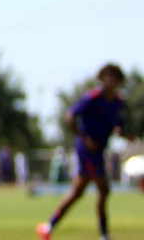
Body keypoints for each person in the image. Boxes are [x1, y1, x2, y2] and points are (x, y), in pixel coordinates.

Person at [37, 63, 138, 240]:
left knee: (78, 193)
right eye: (107, 76)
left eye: (114, 77)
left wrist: (124, 134)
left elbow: (118, 126)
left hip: (100, 150)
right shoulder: (93, 97)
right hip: (87, 150)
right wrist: (85, 138)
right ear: (102, 79)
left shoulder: (118, 103)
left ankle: (48, 227)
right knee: (104, 189)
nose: (111, 80)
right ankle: (104, 235)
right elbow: (70, 116)